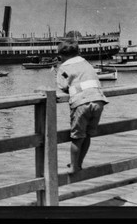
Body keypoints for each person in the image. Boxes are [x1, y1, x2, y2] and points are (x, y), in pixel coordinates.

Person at [55, 41, 108, 174]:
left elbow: (62, 86)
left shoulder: (64, 67)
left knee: (77, 137)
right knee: (87, 135)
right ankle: (79, 163)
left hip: (81, 103)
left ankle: (73, 167)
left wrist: (58, 70)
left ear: (60, 56)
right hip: (98, 101)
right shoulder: (86, 63)